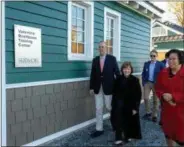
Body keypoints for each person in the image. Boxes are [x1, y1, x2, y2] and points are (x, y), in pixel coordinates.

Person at [89, 41, 120, 138]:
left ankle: (115, 126)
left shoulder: (112, 59)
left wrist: (119, 86)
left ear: (106, 48)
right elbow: (92, 75)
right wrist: (91, 87)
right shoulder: (95, 60)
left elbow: (117, 73)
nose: (101, 49)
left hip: (109, 87)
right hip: (98, 87)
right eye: (99, 47)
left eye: (103, 47)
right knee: (98, 108)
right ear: (98, 49)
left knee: (109, 107)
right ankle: (99, 129)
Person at [155, 49, 184, 147]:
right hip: (167, 114)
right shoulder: (163, 72)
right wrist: (163, 95)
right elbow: (158, 88)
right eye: (169, 59)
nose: (170, 61)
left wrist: (174, 97)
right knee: (168, 136)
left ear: (180, 59)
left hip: (181, 114)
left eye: (174, 59)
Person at [111, 62, 142, 145]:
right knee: (118, 121)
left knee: (128, 121)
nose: (126, 70)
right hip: (119, 105)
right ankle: (118, 138)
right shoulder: (118, 79)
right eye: (125, 68)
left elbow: (138, 95)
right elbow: (114, 93)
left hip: (130, 105)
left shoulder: (135, 80)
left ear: (131, 70)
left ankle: (127, 136)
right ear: (122, 70)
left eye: (128, 69)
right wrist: (113, 105)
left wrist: (136, 108)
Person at [142, 50, 165, 122]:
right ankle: (148, 112)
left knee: (156, 100)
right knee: (145, 98)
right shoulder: (146, 63)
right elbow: (143, 73)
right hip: (147, 83)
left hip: (156, 84)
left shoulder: (160, 64)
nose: (152, 57)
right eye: (151, 55)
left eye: (154, 56)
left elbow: (164, 74)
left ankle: (154, 115)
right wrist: (143, 82)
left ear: (156, 56)